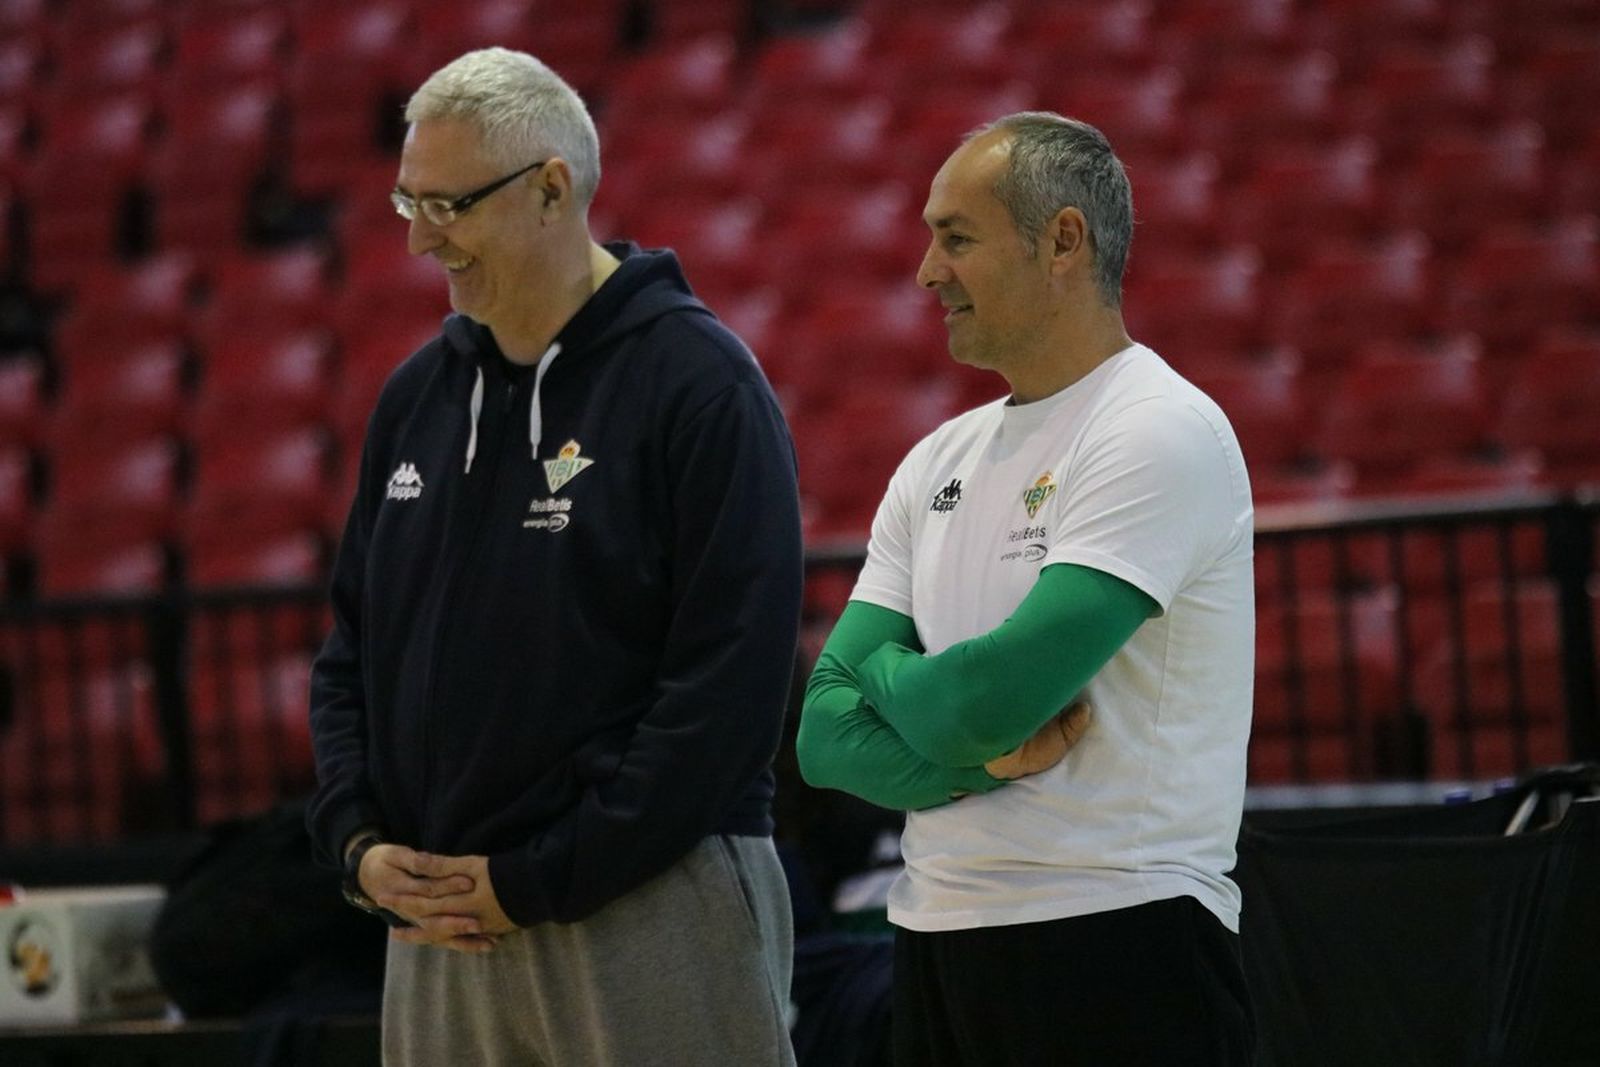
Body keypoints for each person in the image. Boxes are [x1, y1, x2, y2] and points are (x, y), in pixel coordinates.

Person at [306, 48, 803, 1066]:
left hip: (650, 899)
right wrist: (359, 840)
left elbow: (727, 689)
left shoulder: (700, 385)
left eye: (448, 208)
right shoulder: (414, 398)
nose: (418, 244)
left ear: (550, 188)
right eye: (409, 204)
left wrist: (546, 872)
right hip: (444, 923)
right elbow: (351, 654)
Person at [796, 112, 1257, 1065]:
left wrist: (887, 673)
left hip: (1122, 933)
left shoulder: (1159, 428)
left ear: (1062, 241)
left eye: (956, 238)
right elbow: (822, 738)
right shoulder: (937, 458)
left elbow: (984, 700)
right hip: (933, 938)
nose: (926, 272)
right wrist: (979, 763)